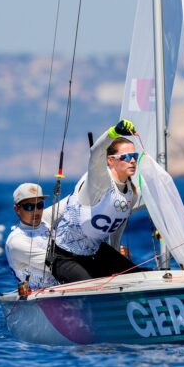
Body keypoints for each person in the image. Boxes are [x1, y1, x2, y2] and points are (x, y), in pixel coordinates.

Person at [51, 119, 146, 284]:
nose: (132, 161)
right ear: (110, 160)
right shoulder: (100, 181)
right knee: (94, 287)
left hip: (96, 253)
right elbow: (96, 152)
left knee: (140, 278)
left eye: (134, 156)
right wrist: (113, 132)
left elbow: (119, 222)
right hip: (65, 257)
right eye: (127, 157)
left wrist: (116, 253)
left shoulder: (132, 193)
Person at [4, 182, 58, 291]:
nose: (36, 211)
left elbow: (74, 199)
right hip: (40, 298)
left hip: (65, 287)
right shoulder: (16, 241)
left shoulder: (45, 220)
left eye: (40, 205)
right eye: (29, 207)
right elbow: (54, 264)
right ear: (17, 209)